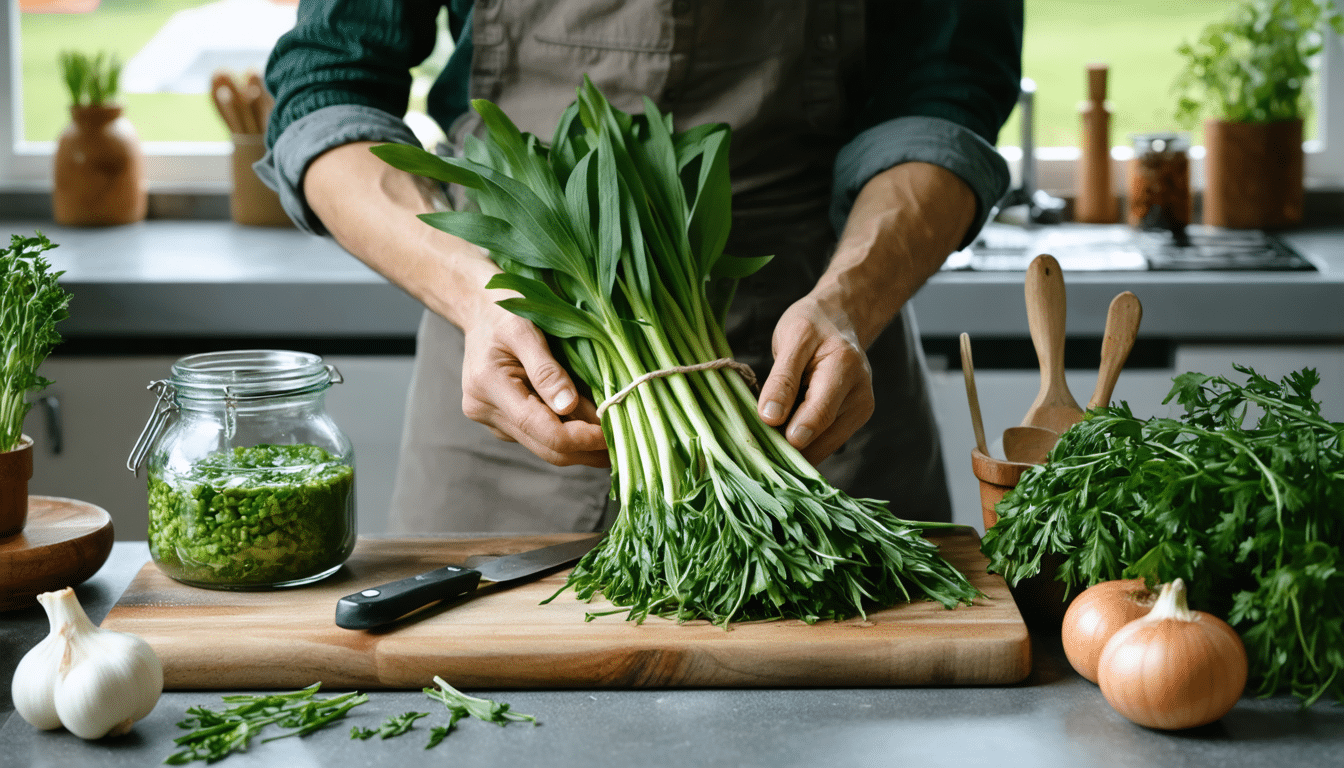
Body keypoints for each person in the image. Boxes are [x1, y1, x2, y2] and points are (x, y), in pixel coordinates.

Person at [256, 1, 1023, 534]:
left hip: (811, 392)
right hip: (510, 376)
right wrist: (477, 291)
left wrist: (852, 296)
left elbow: (947, 87)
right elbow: (328, 88)